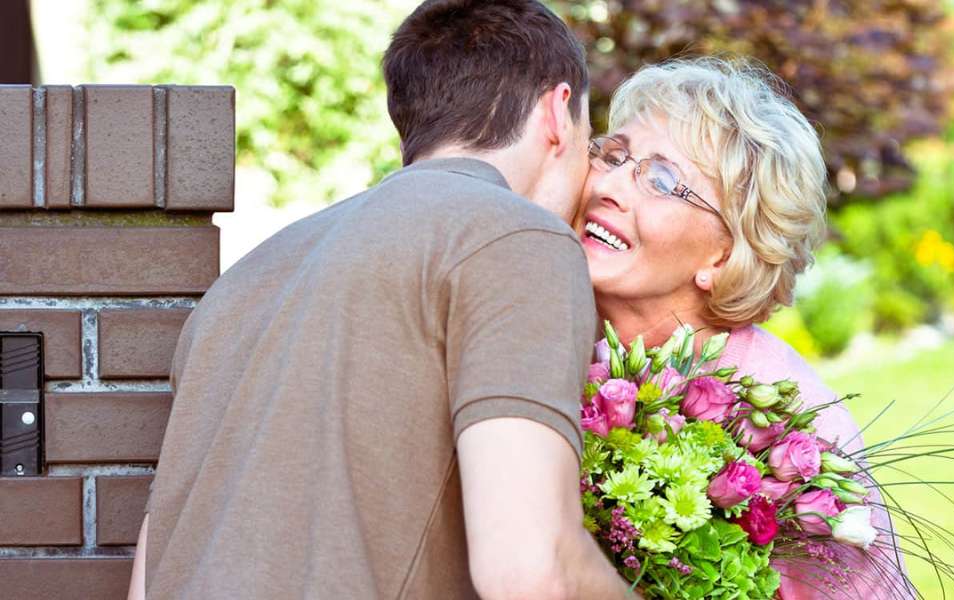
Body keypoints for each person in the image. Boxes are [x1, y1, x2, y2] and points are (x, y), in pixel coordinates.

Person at [128, 1, 631, 598]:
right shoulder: (519, 238)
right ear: (557, 112)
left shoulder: (244, 280)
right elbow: (531, 568)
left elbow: (149, 574)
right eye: (589, 139)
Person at [577, 57, 913, 598]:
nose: (609, 186)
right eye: (613, 156)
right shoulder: (561, 339)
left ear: (726, 253)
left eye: (661, 180)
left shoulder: (784, 435)